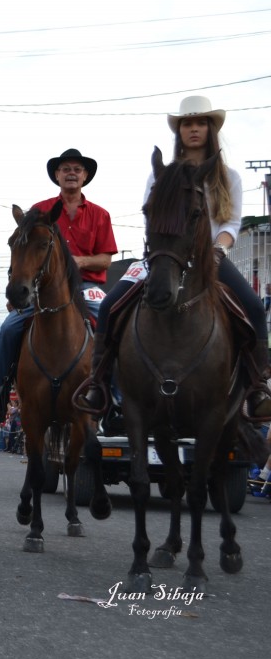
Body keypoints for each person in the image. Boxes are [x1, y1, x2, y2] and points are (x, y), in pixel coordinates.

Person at [75, 96, 271, 418]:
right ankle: (98, 383)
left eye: (200, 123)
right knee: (110, 305)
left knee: (253, 308)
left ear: (210, 129)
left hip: (210, 256)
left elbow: (230, 224)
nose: (193, 129)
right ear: (179, 131)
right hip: (162, 256)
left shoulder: (229, 176)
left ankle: (257, 387)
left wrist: (218, 251)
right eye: (187, 124)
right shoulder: (159, 174)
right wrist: (158, 252)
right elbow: (150, 216)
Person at [0, 149, 117, 422]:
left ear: (85, 176)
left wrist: (80, 261)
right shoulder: (39, 210)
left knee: (114, 321)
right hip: (42, 288)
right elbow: (23, 251)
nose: (71, 173)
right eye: (66, 169)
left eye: (77, 169)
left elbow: (105, 259)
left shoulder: (100, 215)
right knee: (8, 328)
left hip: (85, 285)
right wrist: (17, 288)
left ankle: (116, 397)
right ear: (57, 175)